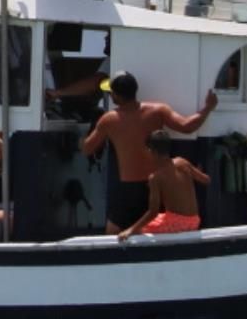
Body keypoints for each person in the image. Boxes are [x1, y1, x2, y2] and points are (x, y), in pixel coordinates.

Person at [80, 72, 218, 233]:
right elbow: (187, 126)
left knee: (113, 233)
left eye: (111, 93)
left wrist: (89, 129)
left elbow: (87, 149)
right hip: (157, 185)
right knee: (155, 233)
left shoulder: (108, 120)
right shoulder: (158, 110)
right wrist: (208, 108)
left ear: (115, 96)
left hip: (129, 189)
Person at [118, 132, 211, 238]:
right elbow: (206, 180)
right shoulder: (183, 162)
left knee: (139, 230)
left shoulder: (155, 178)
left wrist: (131, 230)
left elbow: (153, 211)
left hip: (178, 225)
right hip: (195, 220)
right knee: (160, 217)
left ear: (152, 151)